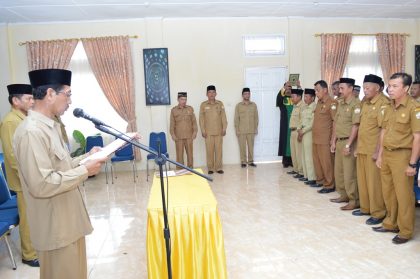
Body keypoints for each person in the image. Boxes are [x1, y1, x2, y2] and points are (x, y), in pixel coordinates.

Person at [13, 69, 107, 278]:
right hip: (55, 228)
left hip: (68, 222)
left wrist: (85, 158)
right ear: (50, 94)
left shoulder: (50, 127)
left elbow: (60, 167)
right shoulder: (31, 132)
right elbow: (42, 184)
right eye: (68, 94)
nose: (70, 101)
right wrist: (84, 171)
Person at [374, 73, 420, 245]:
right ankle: (390, 223)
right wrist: (380, 155)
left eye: (395, 86)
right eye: (389, 86)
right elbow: (384, 132)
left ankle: (406, 231)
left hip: (403, 155)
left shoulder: (414, 108)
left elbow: (418, 138)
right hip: (387, 154)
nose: (390, 89)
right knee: (388, 192)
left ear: (406, 88)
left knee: (404, 195)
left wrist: (412, 164)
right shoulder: (389, 106)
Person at [0, 84, 38, 267]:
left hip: (31, 177)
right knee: (28, 219)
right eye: (28, 99)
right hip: (24, 180)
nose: (32, 102)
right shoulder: (10, 121)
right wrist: (30, 176)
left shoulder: (23, 117)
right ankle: (29, 255)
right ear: (15, 101)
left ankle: (35, 248)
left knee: (33, 216)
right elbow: (12, 155)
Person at [353, 74, 389, 225]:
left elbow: (383, 130)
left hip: (373, 150)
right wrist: (356, 147)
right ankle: (365, 207)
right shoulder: (365, 103)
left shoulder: (384, 103)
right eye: (364, 87)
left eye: (368, 88)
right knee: (363, 181)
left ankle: (378, 212)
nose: (365, 90)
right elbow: (361, 126)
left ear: (378, 88)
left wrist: (378, 151)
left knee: (374, 183)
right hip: (362, 148)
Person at [330, 78, 361, 210]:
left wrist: (348, 144)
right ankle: (343, 195)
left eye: (342, 88)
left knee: (350, 173)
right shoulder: (341, 103)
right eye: (339, 88)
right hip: (340, 141)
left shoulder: (356, 104)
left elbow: (355, 125)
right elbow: (336, 123)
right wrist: (333, 141)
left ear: (350, 89)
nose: (340, 91)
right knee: (340, 171)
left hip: (350, 141)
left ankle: (354, 200)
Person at [313, 80, 337, 193]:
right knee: (318, 162)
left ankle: (329, 185)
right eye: (315, 90)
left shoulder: (332, 103)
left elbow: (335, 122)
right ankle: (321, 181)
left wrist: (333, 140)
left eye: (317, 90)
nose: (316, 93)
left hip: (325, 139)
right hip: (316, 138)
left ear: (325, 90)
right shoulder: (319, 102)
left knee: (327, 163)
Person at [199, 85, 227, 174]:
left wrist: (224, 128)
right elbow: (201, 119)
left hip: (219, 131)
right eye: (209, 92)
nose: (211, 94)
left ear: (216, 93)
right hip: (208, 133)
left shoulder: (220, 104)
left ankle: (218, 167)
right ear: (206, 94)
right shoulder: (203, 105)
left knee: (219, 151)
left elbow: (223, 117)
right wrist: (203, 130)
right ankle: (210, 168)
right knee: (209, 151)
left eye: (213, 92)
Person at [169, 92, 198, 168]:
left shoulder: (190, 109)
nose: (184, 101)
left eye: (185, 99)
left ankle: (190, 170)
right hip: (178, 137)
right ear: (178, 99)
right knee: (179, 156)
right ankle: (180, 171)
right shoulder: (174, 110)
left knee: (190, 155)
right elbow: (172, 124)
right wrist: (173, 134)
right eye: (182, 99)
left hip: (189, 136)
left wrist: (195, 132)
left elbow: (194, 122)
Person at [234, 87, 259, 168]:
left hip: (251, 130)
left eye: (248, 93)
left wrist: (255, 128)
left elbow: (256, 118)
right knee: (242, 147)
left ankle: (251, 161)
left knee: (251, 147)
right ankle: (243, 162)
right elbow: (236, 118)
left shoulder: (254, 105)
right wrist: (237, 130)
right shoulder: (238, 106)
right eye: (245, 94)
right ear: (242, 95)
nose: (247, 95)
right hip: (241, 130)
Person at [298, 88, 316, 185]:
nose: (305, 98)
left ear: (312, 98)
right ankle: (306, 176)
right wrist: (299, 129)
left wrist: (303, 131)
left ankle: (312, 177)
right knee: (304, 155)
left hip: (309, 133)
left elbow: (312, 123)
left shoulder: (314, 107)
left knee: (309, 156)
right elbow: (301, 120)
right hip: (302, 132)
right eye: (304, 96)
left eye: (307, 97)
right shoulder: (305, 107)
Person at [276, 82, 294, 168]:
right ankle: (285, 161)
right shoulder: (282, 98)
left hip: (294, 124)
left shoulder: (294, 98)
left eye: (290, 88)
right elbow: (278, 99)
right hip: (285, 123)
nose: (288, 89)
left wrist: (299, 86)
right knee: (285, 141)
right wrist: (283, 88)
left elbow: (301, 99)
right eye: (287, 88)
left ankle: (292, 160)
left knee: (293, 142)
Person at [288, 88, 304, 178]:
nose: (292, 99)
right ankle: (296, 169)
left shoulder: (302, 106)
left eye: (293, 97)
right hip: (292, 131)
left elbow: (302, 120)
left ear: (299, 97)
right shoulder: (295, 106)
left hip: (298, 132)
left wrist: (300, 133)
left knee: (299, 153)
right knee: (293, 152)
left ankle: (301, 172)